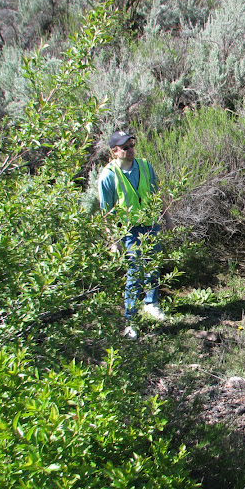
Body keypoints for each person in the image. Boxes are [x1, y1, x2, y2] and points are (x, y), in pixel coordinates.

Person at [99, 130, 166, 339]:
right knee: (134, 274)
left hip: (151, 223)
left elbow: (157, 193)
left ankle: (151, 303)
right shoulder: (108, 175)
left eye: (131, 145)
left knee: (153, 264)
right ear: (114, 151)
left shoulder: (145, 166)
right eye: (125, 147)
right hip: (128, 230)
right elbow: (106, 211)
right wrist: (114, 240)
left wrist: (167, 218)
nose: (130, 150)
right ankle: (130, 321)